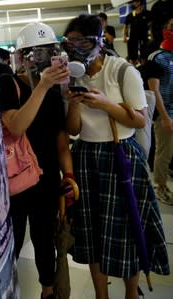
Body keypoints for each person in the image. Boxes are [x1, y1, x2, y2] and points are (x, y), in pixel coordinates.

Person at [62, 14, 170, 299]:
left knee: (126, 231)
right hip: (85, 157)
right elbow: (73, 129)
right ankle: (101, 295)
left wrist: (105, 103)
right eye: (70, 42)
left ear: (99, 42)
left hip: (121, 155)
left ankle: (131, 293)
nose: (76, 49)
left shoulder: (122, 70)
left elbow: (138, 120)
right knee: (94, 233)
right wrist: (73, 104)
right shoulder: (72, 76)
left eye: (83, 41)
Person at [0, 22, 73, 299]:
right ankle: (5, 290)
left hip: (47, 177)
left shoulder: (54, 92)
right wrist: (42, 86)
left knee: (44, 240)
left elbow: (62, 142)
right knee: (11, 242)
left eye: (48, 52)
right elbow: (16, 125)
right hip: (15, 180)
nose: (41, 59)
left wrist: (70, 177)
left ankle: (48, 291)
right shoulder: (8, 83)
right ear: (20, 57)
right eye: (34, 53)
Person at [148, 16, 173, 205]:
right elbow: (154, 90)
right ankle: (160, 187)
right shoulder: (157, 57)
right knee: (164, 153)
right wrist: (164, 117)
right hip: (165, 114)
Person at [122, 0, 151, 65]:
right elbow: (125, 26)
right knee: (132, 58)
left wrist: (151, 35)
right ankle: (133, 72)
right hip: (133, 39)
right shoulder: (130, 15)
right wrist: (124, 36)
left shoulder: (147, 14)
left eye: (134, 2)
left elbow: (151, 24)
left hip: (143, 39)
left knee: (144, 58)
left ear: (139, 2)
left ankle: (144, 72)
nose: (132, 3)